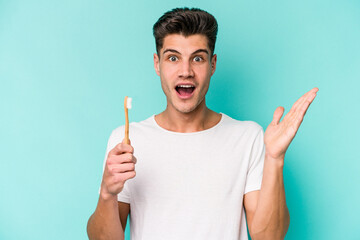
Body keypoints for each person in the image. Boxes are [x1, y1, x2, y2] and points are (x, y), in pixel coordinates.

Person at [87, 7, 318, 240]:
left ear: (213, 64)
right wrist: (107, 194)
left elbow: (269, 237)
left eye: (197, 58)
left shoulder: (248, 137)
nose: (185, 71)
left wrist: (275, 159)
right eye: (173, 58)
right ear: (157, 64)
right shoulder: (126, 142)